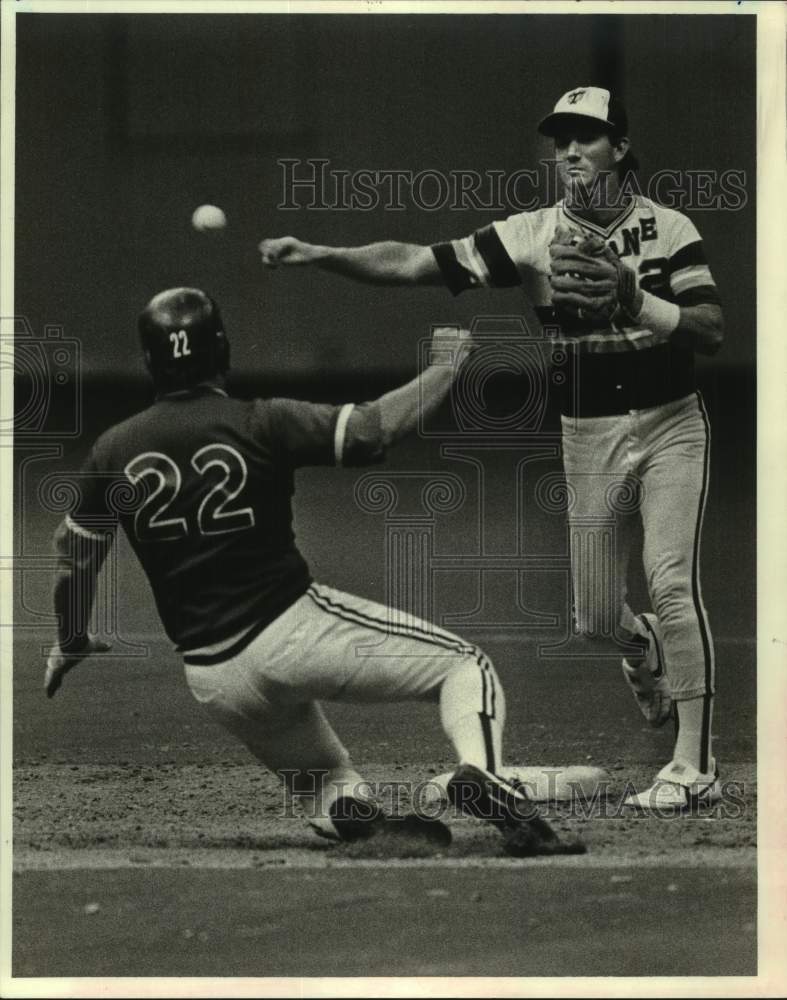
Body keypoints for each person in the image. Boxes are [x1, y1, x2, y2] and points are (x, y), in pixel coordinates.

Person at [259, 86, 725, 811]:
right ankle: (643, 652)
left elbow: (709, 328)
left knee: (667, 583)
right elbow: (415, 261)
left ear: (620, 149)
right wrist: (322, 253)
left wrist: (636, 300)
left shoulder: (668, 228)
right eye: (560, 139)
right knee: (596, 617)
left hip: (669, 422)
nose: (569, 150)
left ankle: (691, 765)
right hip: (588, 430)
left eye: (587, 137)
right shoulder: (533, 234)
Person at [44, 286, 583, 857]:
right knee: (464, 667)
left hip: (214, 679)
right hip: (293, 632)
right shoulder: (260, 420)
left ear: (148, 362)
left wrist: (71, 636)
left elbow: (73, 553)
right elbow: (372, 429)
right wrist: (445, 369)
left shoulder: (112, 450)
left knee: (325, 780)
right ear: (223, 350)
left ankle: (352, 813)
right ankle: (484, 773)